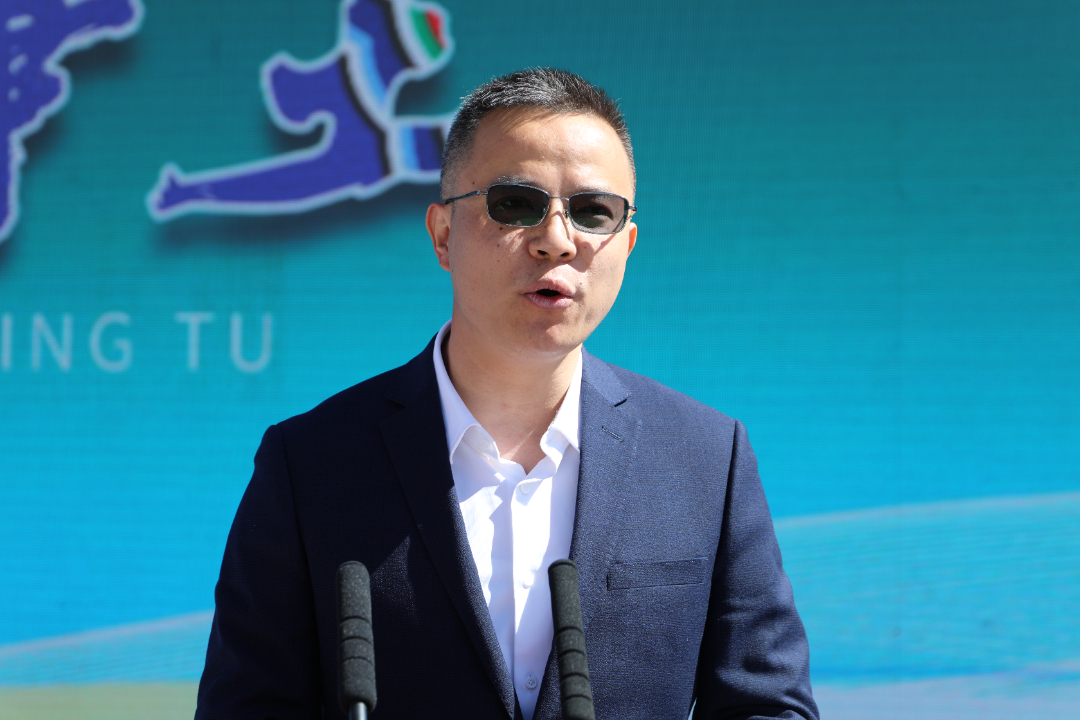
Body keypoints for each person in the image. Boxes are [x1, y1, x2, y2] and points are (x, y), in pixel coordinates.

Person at [195, 68, 819, 720]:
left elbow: (768, 707)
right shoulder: (312, 463)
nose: (557, 240)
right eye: (516, 204)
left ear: (627, 245)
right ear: (442, 234)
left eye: (593, 212)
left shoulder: (705, 458)